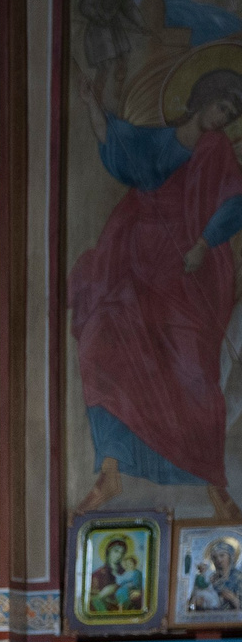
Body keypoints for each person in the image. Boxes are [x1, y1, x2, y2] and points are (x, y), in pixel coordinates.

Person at [69, 59, 242, 522]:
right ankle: (110, 469)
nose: (222, 117)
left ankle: (214, 485)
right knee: (99, 346)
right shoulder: (156, 138)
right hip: (132, 266)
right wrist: (90, 103)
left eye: (230, 113)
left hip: (185, 275)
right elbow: (114, 146)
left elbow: (235, 201)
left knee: (194, 376)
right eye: (220, 106)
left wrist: (204, 243)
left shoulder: (218, 150)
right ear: (202, 99)